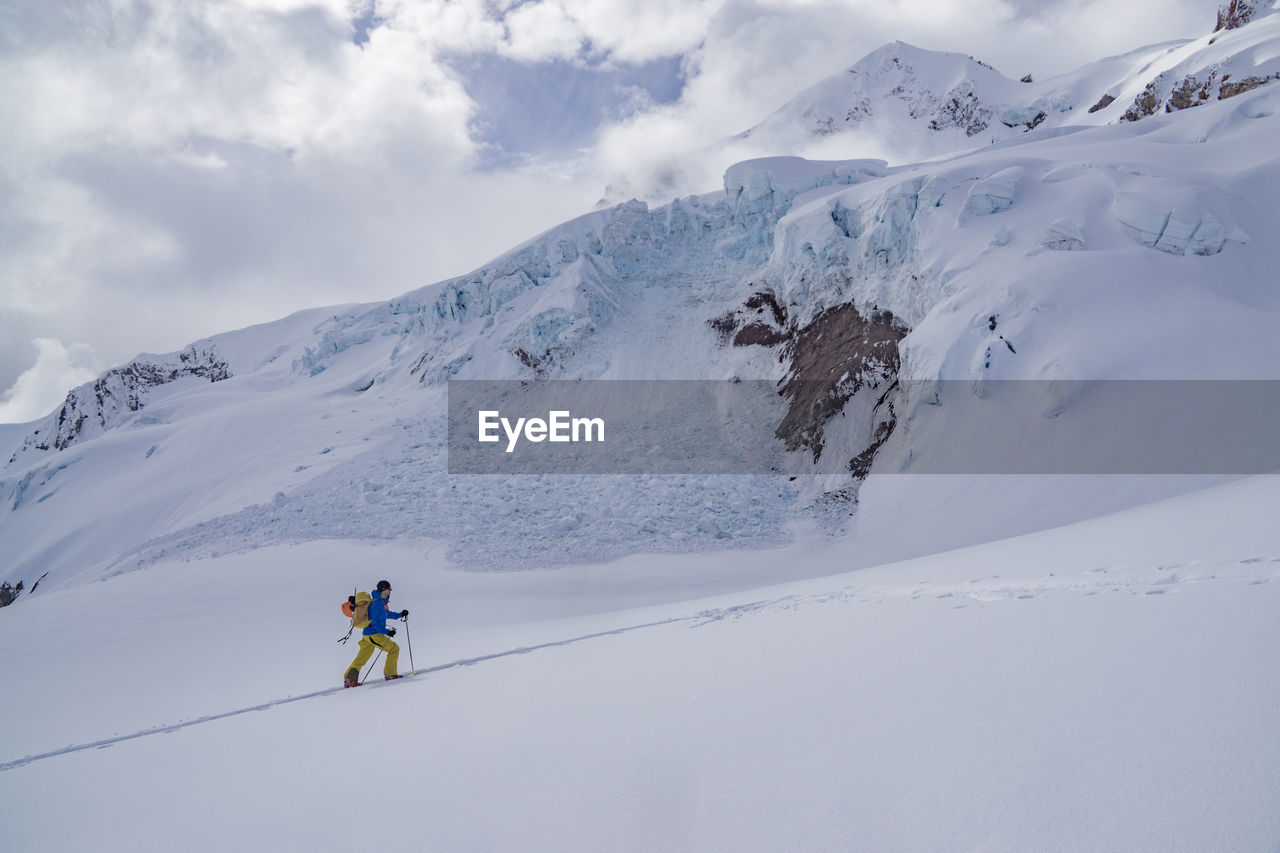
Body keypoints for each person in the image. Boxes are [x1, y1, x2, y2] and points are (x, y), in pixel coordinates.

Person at [343, 579, 408, 687]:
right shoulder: (377, 603)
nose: (389, 592)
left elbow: (387, 614)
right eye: (388, 590)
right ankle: (390, 674)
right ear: (383, 590)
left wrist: (400, 614)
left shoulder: (379, 602)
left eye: (390, 590)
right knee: (394, 649)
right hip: (374, 634)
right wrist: (387, 632)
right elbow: (376, 623)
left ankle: (350, 679)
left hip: (367, 635)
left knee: (362, 657)